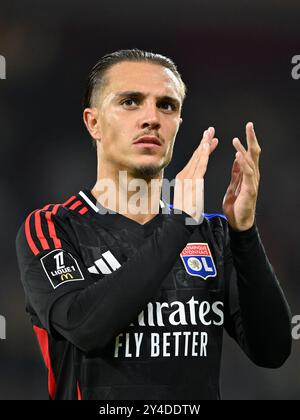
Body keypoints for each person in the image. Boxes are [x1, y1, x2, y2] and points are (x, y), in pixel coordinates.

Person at [16, 49, 291, 400]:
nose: (152, 118)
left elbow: (272, 351)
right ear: (93, 122)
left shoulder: (212, 235)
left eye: (166, 105)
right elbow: (85, 327)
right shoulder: (54, 227)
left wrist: (245, 233)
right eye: (131, 102)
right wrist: (177, 225)